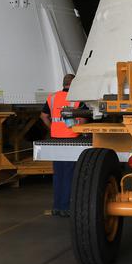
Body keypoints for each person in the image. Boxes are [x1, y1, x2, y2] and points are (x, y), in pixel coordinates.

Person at [42, 73, 78, 217]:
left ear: (63, 83)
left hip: (56, 139)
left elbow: (43, 116)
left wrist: (52, 127)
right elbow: (82, 120)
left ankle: (57, 206)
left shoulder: (52, 98)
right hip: (71, 139)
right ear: (74, 84)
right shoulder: (76, 99)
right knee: (69, 174)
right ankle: (66, 207)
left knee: (58, 174)